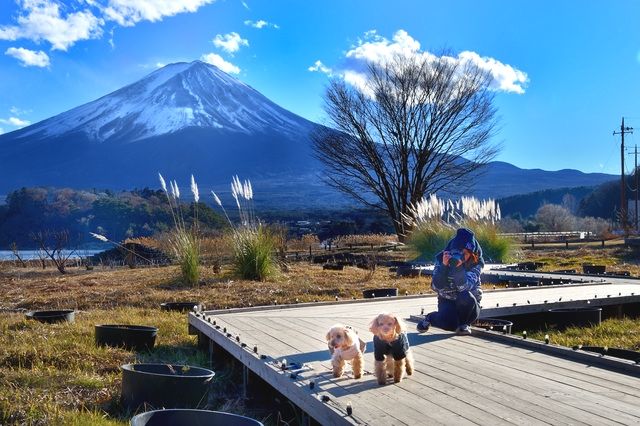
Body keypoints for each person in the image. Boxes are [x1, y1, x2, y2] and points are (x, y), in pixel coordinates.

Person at [416, 227, 484, 335]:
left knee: (465, 296)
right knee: (449, 325)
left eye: (465, 254)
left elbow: (464, 287)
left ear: (472, 254)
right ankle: (430, 318)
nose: (460, 256)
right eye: (457, 253)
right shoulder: (442, 259)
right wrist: (444, 267)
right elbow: (435, 287)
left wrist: (458, 269)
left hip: (469, 306)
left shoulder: (476, 264)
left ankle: (464, 325)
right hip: (447, 300)